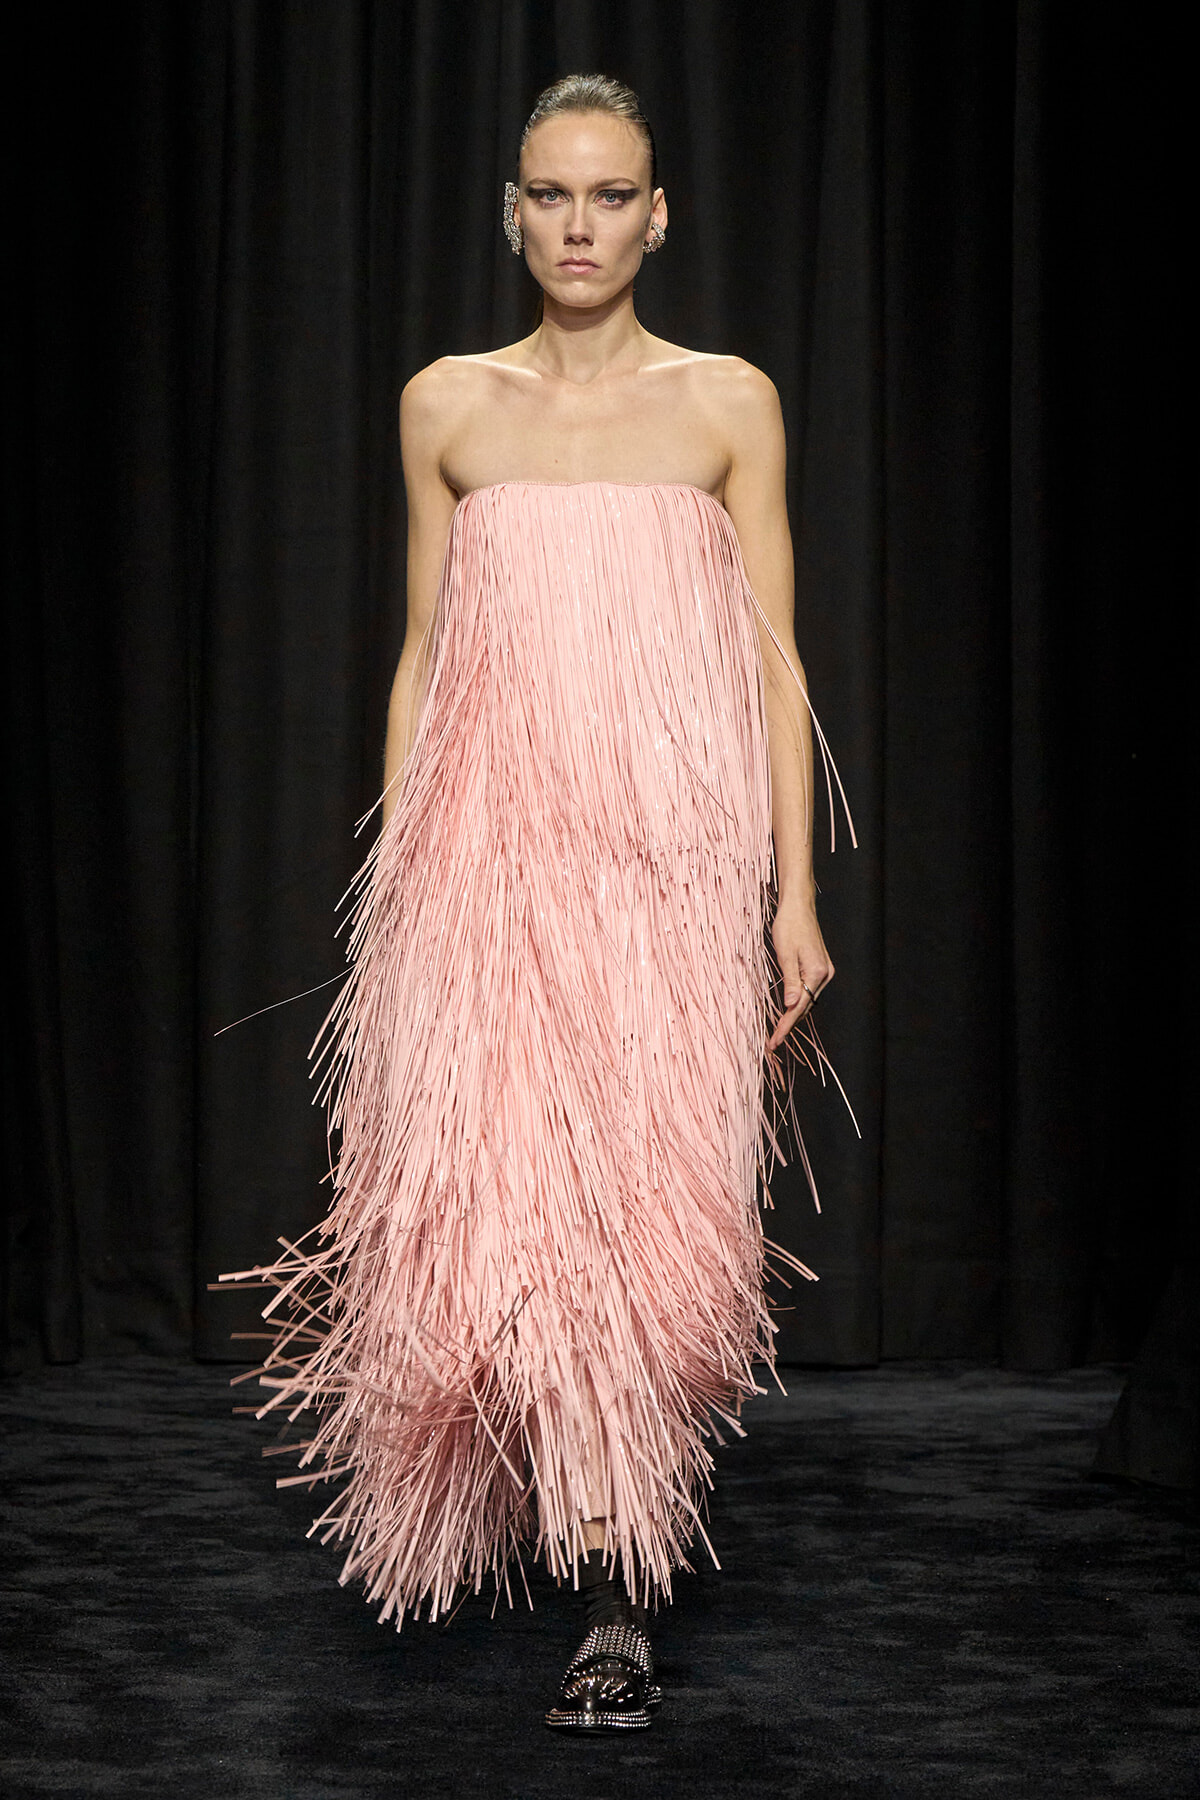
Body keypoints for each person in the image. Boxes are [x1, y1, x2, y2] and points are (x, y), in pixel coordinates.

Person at [222, 72, 851, 1734]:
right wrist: (402, 858)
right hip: (491, 867)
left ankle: (616, 1593)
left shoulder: (730, 405)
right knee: (511, 1219)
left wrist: (792, 894)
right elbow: (427, 650)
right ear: (514, 213)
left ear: (661, 215)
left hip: (663, 866)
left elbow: (776, 661)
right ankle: (589, 1531)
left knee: (644, 1222)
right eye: (552, 197)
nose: (581, 226)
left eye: (611, 195)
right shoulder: (449, 406)